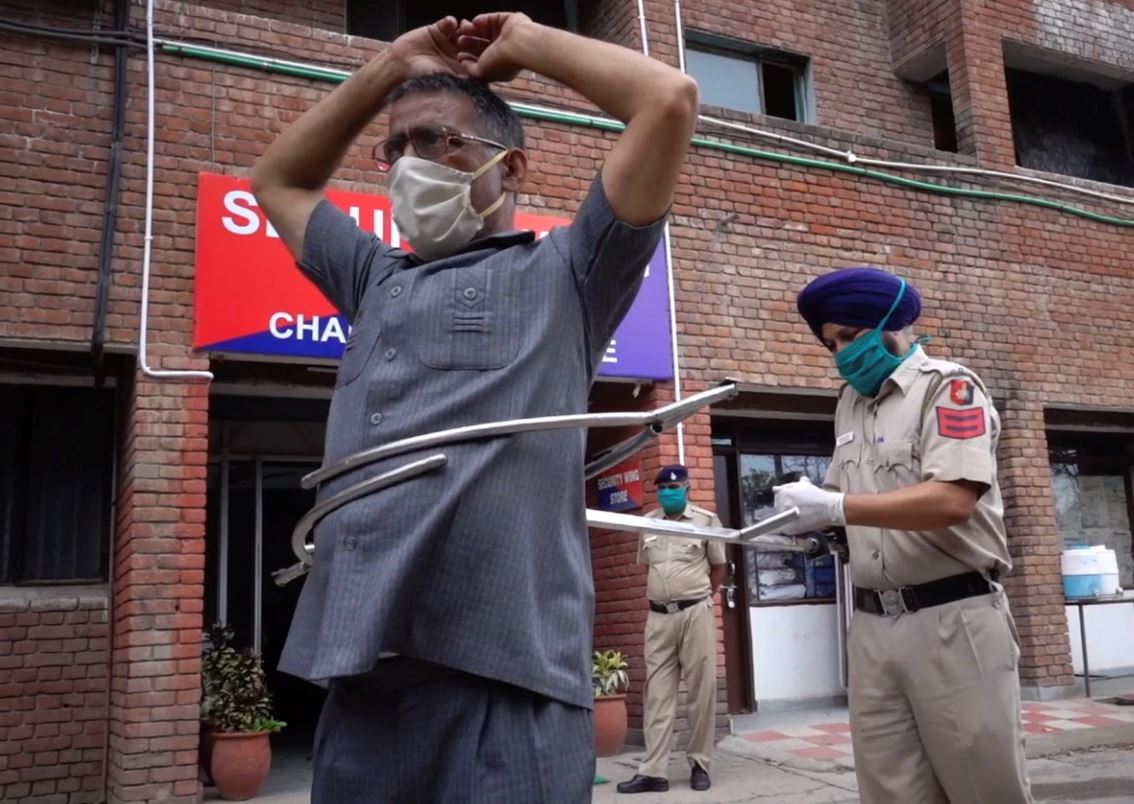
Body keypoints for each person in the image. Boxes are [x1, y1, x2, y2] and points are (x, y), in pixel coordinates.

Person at [250, 12, 698, 802]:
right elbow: (278, 182)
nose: (406, 166)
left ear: (510, 165)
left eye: (436, 141)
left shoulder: (571, 275)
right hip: (366, 675)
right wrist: (389, 66)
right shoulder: (371, 279)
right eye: (395, 149)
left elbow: (667, 97)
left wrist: (527, 43)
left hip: (506, 679)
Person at [773, 267, 1032, 804]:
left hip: (953, 617)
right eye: (832, 344)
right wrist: (808, 525)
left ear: (889, 324)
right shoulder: (850, 402)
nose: (842, 353)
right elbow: (843, 503)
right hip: (872, 626)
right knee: (891, 793)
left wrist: (837, 506)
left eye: (849, 336)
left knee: (985, 789)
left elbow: (953, 499)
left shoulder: (950, 387)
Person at [618, 464, 726, 794]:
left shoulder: (706, 521)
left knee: (700, 691)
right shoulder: (648, 522)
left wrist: (705, 597)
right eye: (662, 488)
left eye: (673, 487)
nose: (667, 492)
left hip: (695, 612)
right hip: (658, 619)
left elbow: (719, 566)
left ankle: (699, 763)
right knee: (657, 695)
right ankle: (654, 771)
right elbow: (649, 565)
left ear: (687, 488)